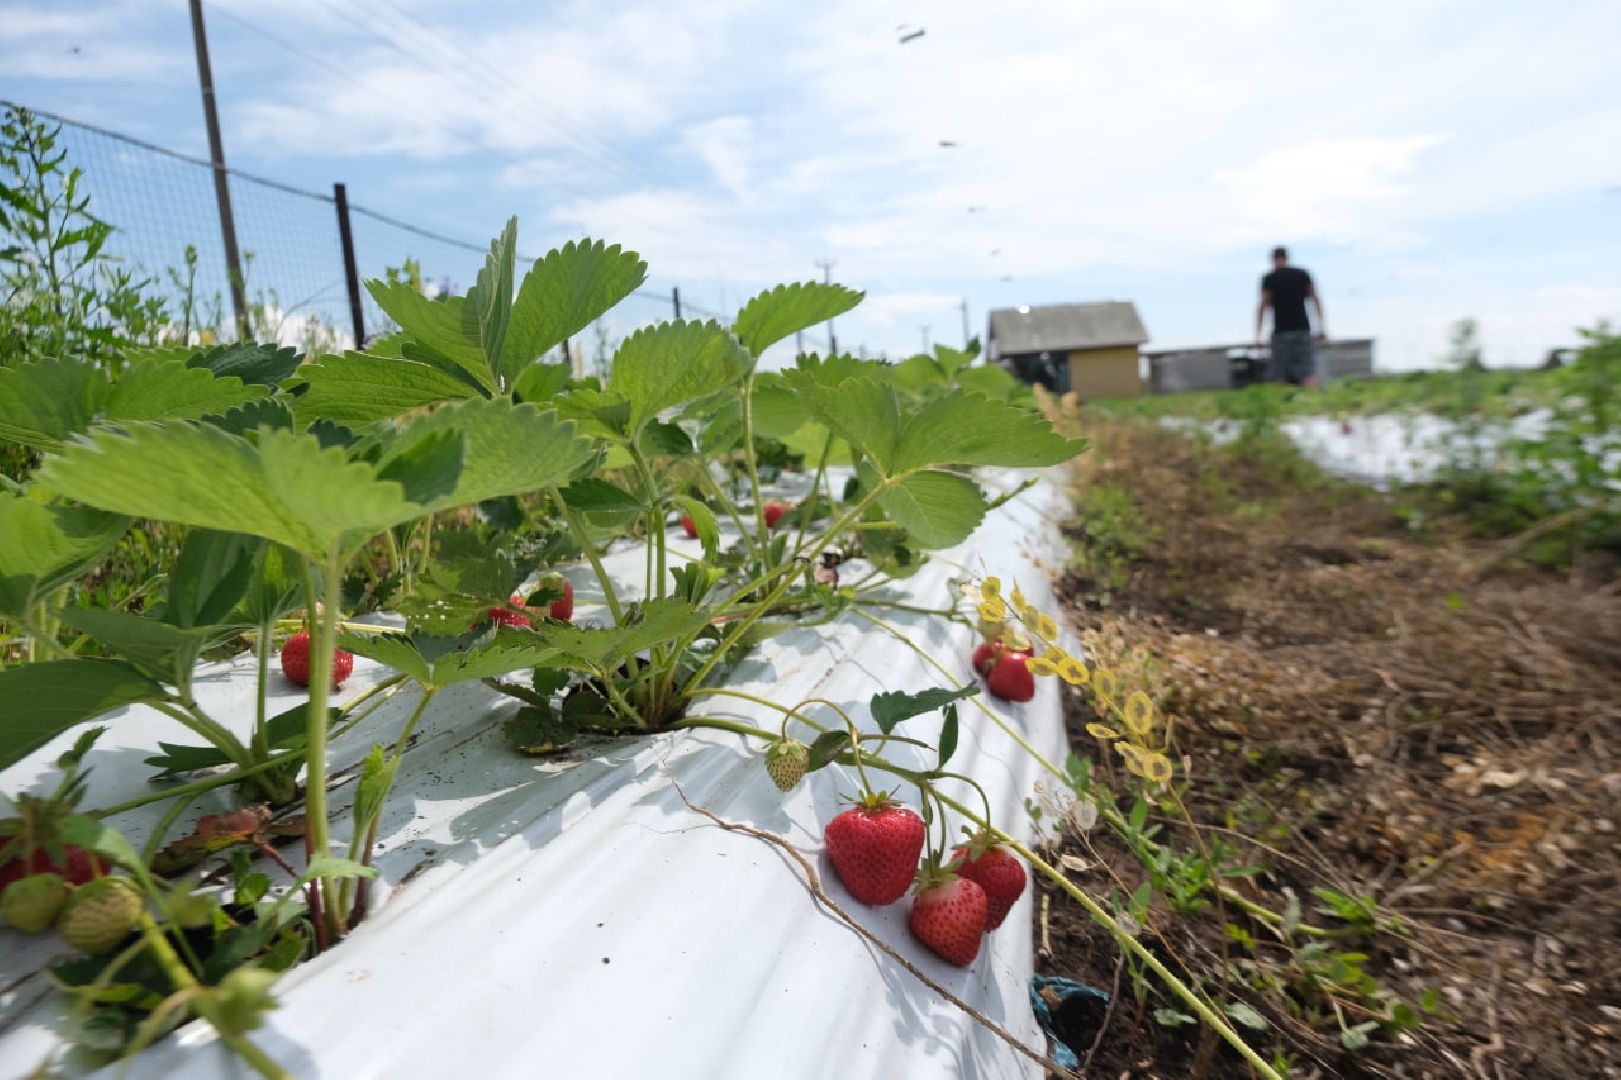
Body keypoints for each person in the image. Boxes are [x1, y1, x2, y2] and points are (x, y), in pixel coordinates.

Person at [1254, 246, 1326, 387]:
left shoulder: (1270, 278)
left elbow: (1263, 305)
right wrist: (1321, 328)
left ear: (1273, 259)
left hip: (1281, 331)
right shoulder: (1302, 274)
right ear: (1287, 258)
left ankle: (1280, 406)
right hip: (1302, 328)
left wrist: (1258, 335)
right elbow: (1314, 299)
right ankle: (1313, 404)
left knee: (1278, 372)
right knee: (1307, 370)